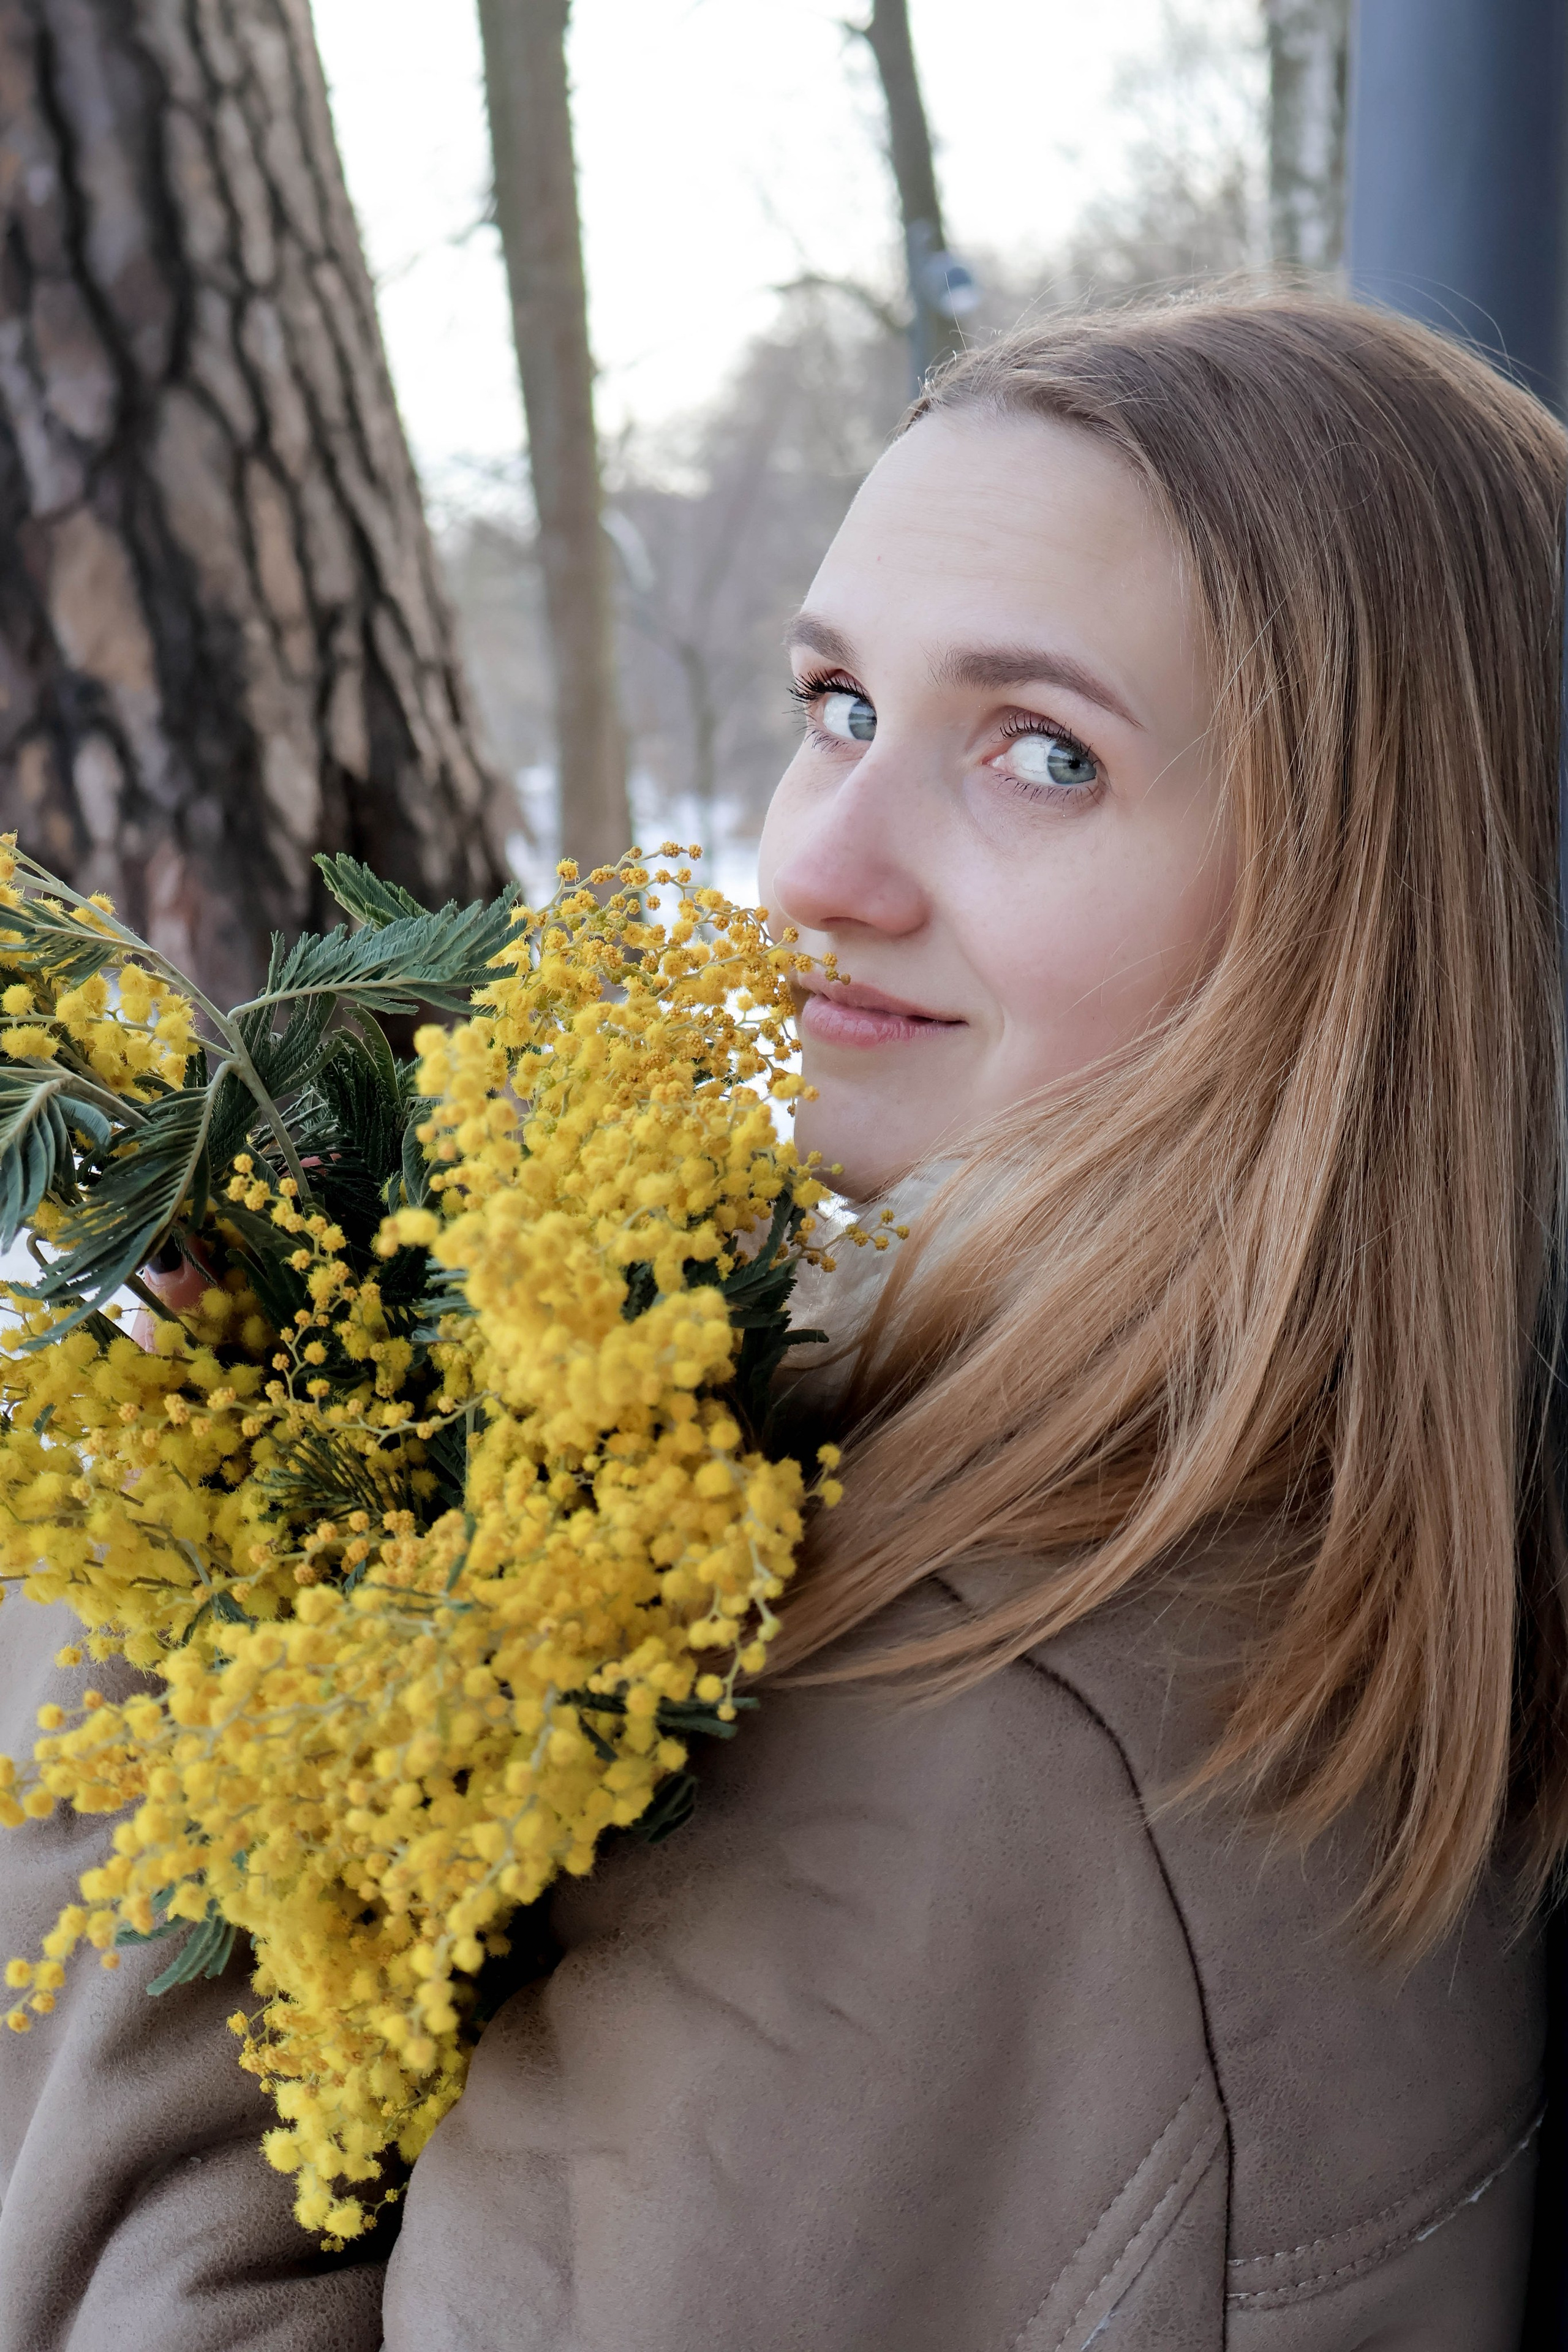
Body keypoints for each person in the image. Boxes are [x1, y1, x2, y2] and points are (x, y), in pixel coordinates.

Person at [2, 289, 1562, 2348]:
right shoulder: (1311, 1543)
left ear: (1371, 914)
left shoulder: (963, 1727)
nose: (822, 864)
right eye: (838, 703)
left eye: (1043, 752)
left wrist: (186, 1647)